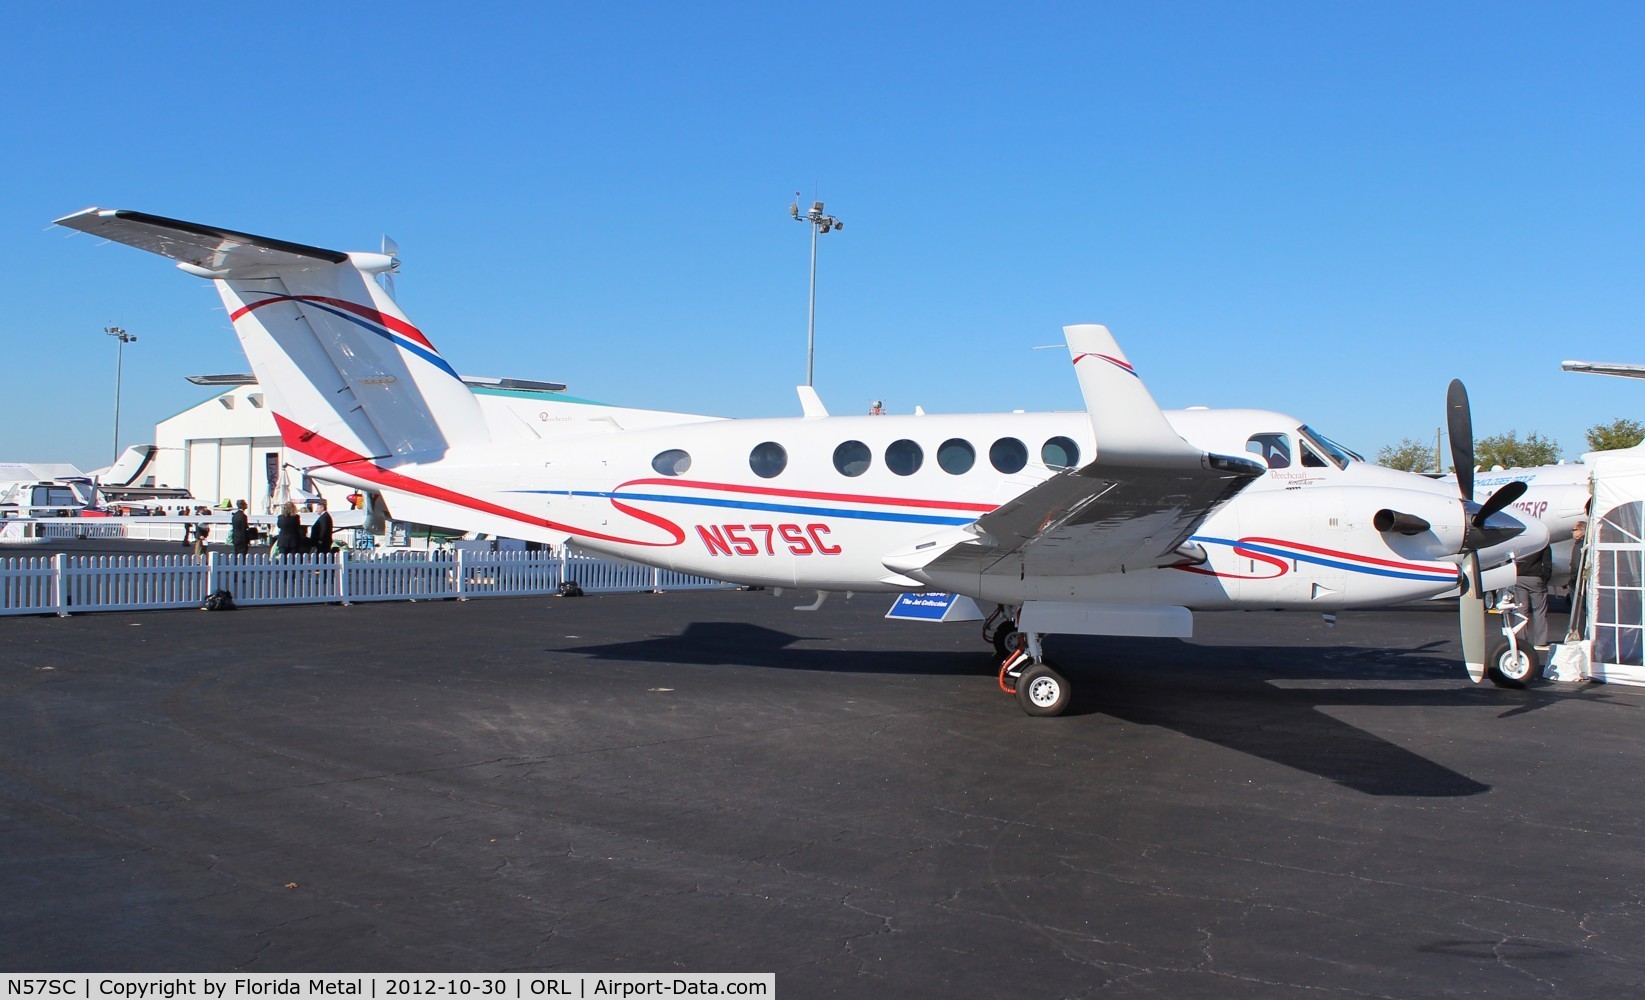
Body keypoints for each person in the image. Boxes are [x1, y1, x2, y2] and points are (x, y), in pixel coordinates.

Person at [1512, 543, 1553, 650]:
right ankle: (1540, 642)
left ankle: (1521, 640)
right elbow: (1547, 564)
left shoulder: (1521, 543)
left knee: (1521, 610)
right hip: (1536, 578)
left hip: (1519, 577)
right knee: (1539, 611)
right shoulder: (1543, 544)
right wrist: (1545, 578)